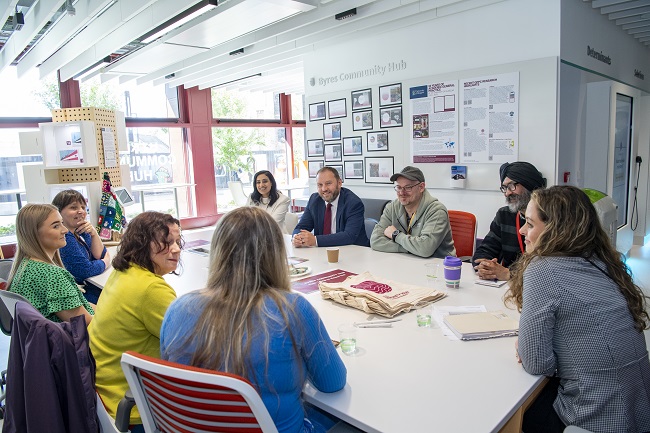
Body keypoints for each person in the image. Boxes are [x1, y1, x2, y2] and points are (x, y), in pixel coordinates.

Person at [161, 207, 347, 433]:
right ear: (276, 254)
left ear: (218, 251)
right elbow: (332, 383)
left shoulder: (177, 310)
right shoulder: (292, 309)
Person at [506, 186, 650, 433]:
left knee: (518, 413)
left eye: (530, 223)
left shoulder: (543, 270)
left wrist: (525, 343)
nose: (522, 231)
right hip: (638, 410)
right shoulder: (602, 261)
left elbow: (537, 364)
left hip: (596, 418)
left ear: (554, 229)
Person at [89, 211, 181, 432]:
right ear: (142, 244)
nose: (177, 249)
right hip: (138, 404)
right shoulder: (151, 289)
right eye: (167, 243)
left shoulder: (124, 272)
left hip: (108, 391)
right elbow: (196, 345)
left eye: (178, 241)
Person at [7, 203, 94, 324]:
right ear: (34, 233)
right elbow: (86, 324)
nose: (65, 230)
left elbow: (82, 307)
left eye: (62, 223)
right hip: (74, 341)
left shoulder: (26, 266)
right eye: (56, 226)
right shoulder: (51, 275)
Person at [473, 161, 544, 281]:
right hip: (505, 288)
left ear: (529, 184)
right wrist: (485, 266)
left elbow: (549, 269)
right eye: (504, 188)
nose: (507, 193)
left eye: (512, 186)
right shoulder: (504, 214)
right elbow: (485, 250)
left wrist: (508, 273)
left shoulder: (548, 218)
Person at [371, 166, 455, 258]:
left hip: (437, 266)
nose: (402, 193)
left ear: (421, 187)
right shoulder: (391, 207)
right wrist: (413, 248)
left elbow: (425, 249)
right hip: (404, 262)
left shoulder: (436, 211)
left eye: (408, 187)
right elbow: (375, 241)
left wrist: (396, 235)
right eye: (399, 187)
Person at [52, 189, 111, 303]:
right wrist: (106, 261)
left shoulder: (80, 230)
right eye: (74, 208)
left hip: (88, 286)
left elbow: (99, 254)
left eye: (83, 207)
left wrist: (93, 233)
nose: (81, 211)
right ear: (58, 212)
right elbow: (85, 270)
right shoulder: (64, 237)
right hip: (80, 294)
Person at [292, 166, 368, 247]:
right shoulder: (314, 200)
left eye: (328, 183)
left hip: (354, 251)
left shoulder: (353, 203)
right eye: (320, 185)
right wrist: (297, 237)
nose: (324, 189)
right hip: (322, 251)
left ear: (339, 183)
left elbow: (349, 236)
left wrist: (315, 240)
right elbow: (301, 227)